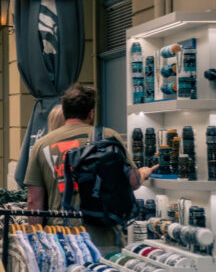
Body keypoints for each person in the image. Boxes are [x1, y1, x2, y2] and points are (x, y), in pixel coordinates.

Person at [24, 83, 153, 250]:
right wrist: (143, 173)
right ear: (91, 113)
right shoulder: (109, 136)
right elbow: (133, 182)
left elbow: (34, 202)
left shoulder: (42, 145)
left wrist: (36, 241)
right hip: (104, 236)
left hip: (61, 238)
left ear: (63, 111)